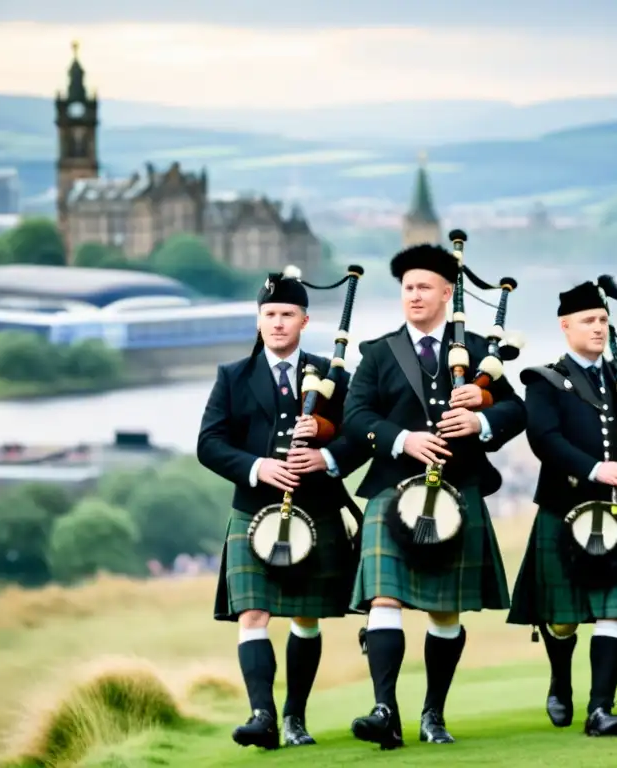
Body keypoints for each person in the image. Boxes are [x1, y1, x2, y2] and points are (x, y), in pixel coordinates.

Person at [341, 242, 527, 749]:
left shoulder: (481, 359)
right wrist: (405, 439)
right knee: (385, 596)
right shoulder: (378, 353)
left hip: (458, 488)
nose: (415, 296)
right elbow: (356, 417)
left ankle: (433, 714)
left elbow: (517, 412)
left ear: (448, 292)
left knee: (445, 611)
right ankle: (385, 710)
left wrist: (481, 419)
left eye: (425, 287)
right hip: (391, 488)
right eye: (407, 288)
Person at [196, 267, 370, 750]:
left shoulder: (334, 376)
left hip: (315, 507)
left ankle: (295, 717)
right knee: (253, 613)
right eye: (269, 314)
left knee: (305, 617)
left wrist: (327, 456)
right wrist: (257, 468)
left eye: (286, 314)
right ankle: (262, 716)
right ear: (258, 320)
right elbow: (209, 444)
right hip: (253, 508)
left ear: (304, 320)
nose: (277, 323)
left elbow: (363, 436)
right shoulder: (233, 376)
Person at [506, 275, 617, 737]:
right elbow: (544, 438)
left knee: (614, 610)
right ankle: (560, 679)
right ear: (566, 326)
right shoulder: (544, 381)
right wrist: (594, 470)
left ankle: (601, 708)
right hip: (564, 508)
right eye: (588, 320)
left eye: (603, 319)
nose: (598, 327)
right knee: (562, 620)